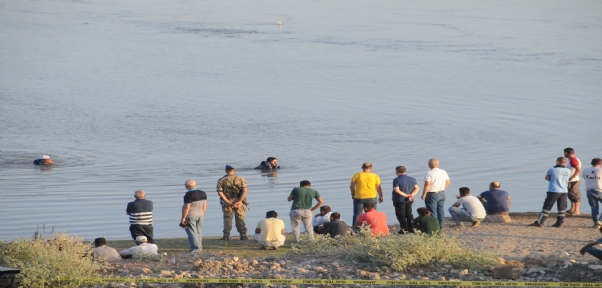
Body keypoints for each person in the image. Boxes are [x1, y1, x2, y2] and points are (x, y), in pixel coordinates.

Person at [529, 157, 571, 227]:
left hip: (553, 190)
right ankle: (559, 222)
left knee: (547, 206)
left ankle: (540, 222)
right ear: (565, 162)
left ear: (557, 162)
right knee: (562, 207)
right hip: (564, 191)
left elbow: (547, 177)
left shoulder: (552, 169)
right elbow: (569, 179)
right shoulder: (568, 171)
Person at [217, 165, 248, 240]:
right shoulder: (240, 179)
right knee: (240, 218)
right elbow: (245, 190)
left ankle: (226, 235)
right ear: (234, 171)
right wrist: (240, 201)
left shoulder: (221, 180)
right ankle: (243, 235)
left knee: (227, 218)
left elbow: (220, 192)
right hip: (238, 200)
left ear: (226, 171)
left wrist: (227, 201)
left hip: (227, 202)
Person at [350, 162, 383, 227]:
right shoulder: (375, 176)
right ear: (371, 168)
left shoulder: (357, 175)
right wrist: (381, 196)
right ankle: (372, 227)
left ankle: (355, 229)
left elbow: (351, 186)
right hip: (372, 197)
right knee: (372, 214)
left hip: (359, 197)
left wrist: (353, 194)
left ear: (362, 167)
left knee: (357, 214)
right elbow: (378, 187)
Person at [420, 158, 450, 230]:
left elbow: (427, 184)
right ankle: (441, 226)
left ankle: (434, 226)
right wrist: (442, 188)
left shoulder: (429, 173)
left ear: (429, 165)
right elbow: (448, 182)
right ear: (437, 164)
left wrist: (424, 194)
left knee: (432, 211)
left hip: (432, 194)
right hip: (441, 193)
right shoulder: (443, 172)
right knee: (441, 210)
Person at [181, 179, 207, 252]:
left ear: (186, 186)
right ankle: (199, 247)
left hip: (191, 215)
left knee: (192, 232)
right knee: (198, 231)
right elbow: (205, 204)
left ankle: (195, 248)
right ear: (195, 185)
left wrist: (183, 217)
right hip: (200, 214)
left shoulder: (188, 195)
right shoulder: (203, 193)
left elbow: (187, 207)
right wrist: (202, 212)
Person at [392, 166, 419, 234]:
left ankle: (404, 229)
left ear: (397, 171)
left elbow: (397, 190)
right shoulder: (412, 179)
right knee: (409, 213)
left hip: (399, 200)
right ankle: (412, 228)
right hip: (409, 200)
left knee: (401, 215)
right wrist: (411, 195)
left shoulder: (397, 180)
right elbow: (417, 188)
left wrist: (406, 195)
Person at [583, 158, 602, 228]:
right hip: (600, 190)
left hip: (589, 190)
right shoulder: (601, 170)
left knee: (594, 208)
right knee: (595, 207)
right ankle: (600, 220)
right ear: (600, 163)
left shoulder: (585, 170)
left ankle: (596, 222)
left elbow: (585, 178)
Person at [564, 148, 582, 215]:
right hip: (570, 180)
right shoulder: (570, 160)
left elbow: (578, 169)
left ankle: (577, 210)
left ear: (566, 153)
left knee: (575, 194)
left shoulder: (573, 160)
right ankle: (572, 208)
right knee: (571, 194)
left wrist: (572, 177)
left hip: (573, 180)